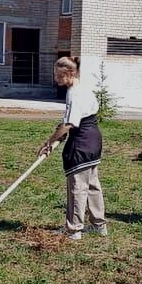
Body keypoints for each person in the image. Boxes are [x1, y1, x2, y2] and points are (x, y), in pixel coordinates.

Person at [39, 57, 107, 240]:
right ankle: (99, 226)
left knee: (77, 188)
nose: (56, 79)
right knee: (92, 185)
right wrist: (59, 135)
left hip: (82, 143)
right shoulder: (83, 88)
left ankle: (74, 229)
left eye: (58, 75)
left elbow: (69, 123)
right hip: (93, 139)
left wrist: (49, 141)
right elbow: (72, 121)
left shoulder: (74, 93)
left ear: (69, 73)